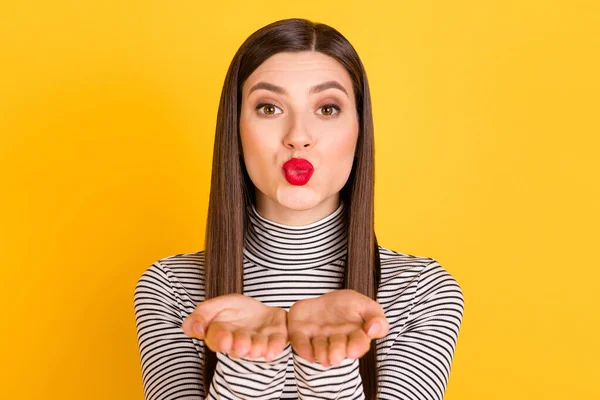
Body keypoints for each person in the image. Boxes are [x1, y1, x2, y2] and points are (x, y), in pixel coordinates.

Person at [134, 18, 464, 400]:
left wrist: (327, 365)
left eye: (326, 109)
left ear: (359, 131)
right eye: (269, 108)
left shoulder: (421, 292)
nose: (298, 137)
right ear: (236, 131)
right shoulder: (171, 288)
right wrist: (249, 365)